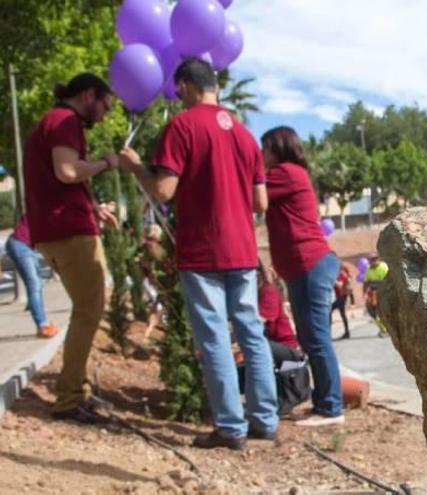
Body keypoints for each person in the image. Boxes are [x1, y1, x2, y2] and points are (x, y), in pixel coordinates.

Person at [119, 58, 278, 449]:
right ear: (216, 86)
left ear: (186, 86)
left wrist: (138, 167)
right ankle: (266, 421)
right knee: (252, 334)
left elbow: (163, 191)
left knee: (214, 339)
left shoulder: (182, 126)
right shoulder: (244, 135)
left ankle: (230, 428)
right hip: (241, 249)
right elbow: (261, 202)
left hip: (202, 250)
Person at [24, 73, 119, 423]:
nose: (105, 115)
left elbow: (60, 179)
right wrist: (107, 163)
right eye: (105, 106)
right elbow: (66, 171)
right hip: (69, 231)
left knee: (86, 309)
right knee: (88, 311)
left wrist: (93, 206)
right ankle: (69, 399)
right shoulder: (64, 120)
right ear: (89, 95)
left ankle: (75, 390)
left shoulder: (55, 122)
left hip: (58, 229)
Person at [261, 125, 345, 427]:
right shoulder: (288, 174)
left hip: (310, 265)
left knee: (317, 339)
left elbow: (249, 189)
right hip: (303, 269)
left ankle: (332, 408)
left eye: (265, 148)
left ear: (278, 148)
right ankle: (326, 402)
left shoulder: (285, 172)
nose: (262, 155)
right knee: (312, 339)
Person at [6, 215, 60, 338]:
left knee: (37, 283)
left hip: (26, 246)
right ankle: (42, 325)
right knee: (34, 283)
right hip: (19, 244)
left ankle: (41, 324)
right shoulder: (43, 208)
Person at [258, 263, 304, 364]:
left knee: (253, 344)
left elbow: (260, 322)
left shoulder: (268, 291)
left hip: (287, 348)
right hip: (271, 346)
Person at [363, 254, 389, 337]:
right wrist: (364, 294)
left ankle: (387, 329)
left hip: (384, 292)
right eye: (372, 260)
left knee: (384, 312)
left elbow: (389, 280)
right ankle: (383, 329)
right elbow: (366, 283)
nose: (374, 261)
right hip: (373, 293)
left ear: (379, 259)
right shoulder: (368, 270)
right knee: (372, 312)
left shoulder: (384, 267)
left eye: (375, 259)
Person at [331, 265, 352, 340]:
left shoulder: (341, 275)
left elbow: (340, 285)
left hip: (342, 296)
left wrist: (334, 281)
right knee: (341, 313)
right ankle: (347, 332)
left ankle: (347, 332)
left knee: (332, 311)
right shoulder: (336, 275)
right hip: (339, 296)